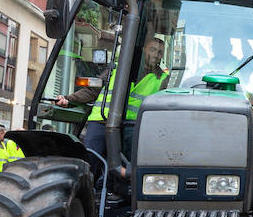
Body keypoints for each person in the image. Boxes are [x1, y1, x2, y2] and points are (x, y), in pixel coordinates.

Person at [58, 33, 169, 165]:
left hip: (132, 127)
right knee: (89, 163)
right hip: (101, 121)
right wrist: (68, 99)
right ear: (144, 49)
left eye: (160, 52)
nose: (156, 55)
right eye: (153, 50)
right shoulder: (116, 68)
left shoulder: (162, 78)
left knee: (125, 169)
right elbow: (93, 90)